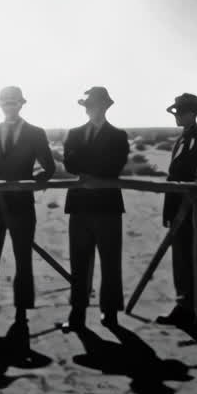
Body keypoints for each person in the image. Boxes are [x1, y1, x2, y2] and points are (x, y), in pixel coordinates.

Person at [0, 86, 56, 352]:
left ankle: (22, 312)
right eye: (5, 103)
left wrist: (33, 184)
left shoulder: (35, 133)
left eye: (13, 103)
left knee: (23, 259)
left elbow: (49, 166)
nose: (9, 107)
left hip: (21, 205)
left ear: (21, 105)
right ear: (0, 106)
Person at [60, 86, 130, 330]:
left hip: (108, 207)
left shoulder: (119, 136)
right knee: (79, 262)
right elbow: (69, 163)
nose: (93, 110)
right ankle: (77, 313)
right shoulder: (74, 133)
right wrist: (93, 164)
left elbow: (114, 165)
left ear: (105, 107)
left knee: (110, 261)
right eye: (89, 106)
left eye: (97, 105)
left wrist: (86, 166)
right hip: (79, 207)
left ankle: (109, 313)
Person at [156, 92, 197, 332]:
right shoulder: (182, 140)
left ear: (192, 113)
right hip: (177, 207)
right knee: (180, 259)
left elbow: (195, 176)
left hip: (192, 209)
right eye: (176, 112)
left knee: (195, 258)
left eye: (181, 112)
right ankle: (184, 306)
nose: (177, 116)